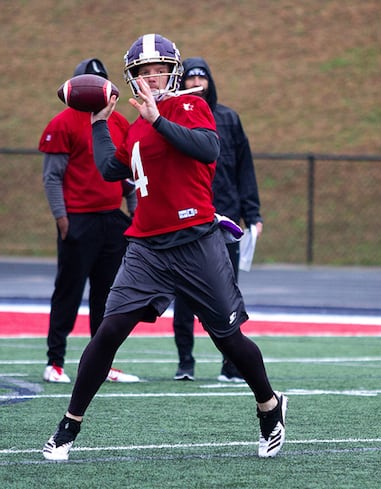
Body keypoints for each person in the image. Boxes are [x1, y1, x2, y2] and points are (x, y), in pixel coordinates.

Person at [42, 34, 287, 461]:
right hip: (147, 247)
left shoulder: (191, 106)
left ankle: (269, 406)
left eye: (158, 70)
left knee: (227, 338)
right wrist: (100, 120)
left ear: (172, 72)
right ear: (132, 77)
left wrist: (158, 120)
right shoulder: (135, 122)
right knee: (109, 331)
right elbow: (108, 168)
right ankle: (68, 428)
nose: (151, 78)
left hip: (195, 240)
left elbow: (208, 147)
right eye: (142, 72)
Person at [39, 58, 139, 384]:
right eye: (89, 82)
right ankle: (55, 361)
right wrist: (61, 217)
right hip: (78, 218)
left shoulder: (120, 122)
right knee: (68, 291)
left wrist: (136, 212)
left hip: (111, 219)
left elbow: (128, 175)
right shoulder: (62, 123)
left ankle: (103, 364)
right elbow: (52, 177)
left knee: (108, 295)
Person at [172, 57, 263, 382]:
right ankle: (185, 362)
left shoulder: (228, 119)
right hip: (188, 218)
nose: (196, 82)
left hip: (225, 220)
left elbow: (244, 169)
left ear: (210, 80)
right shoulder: (173, 117)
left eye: (202, 77)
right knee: (183, 293)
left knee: (227, 293)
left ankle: (230, 364)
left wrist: (252, 213)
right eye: (190, 77)